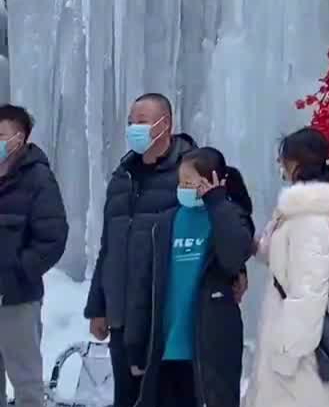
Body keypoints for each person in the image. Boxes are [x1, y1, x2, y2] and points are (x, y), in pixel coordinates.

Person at [244, 127, 329, 407]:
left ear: (295, 165)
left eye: (283, 161)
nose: (280, 168)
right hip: (299, 357)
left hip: (301, 365)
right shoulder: (302, 215)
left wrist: (286, 356)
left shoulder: (310, 221)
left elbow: (309, 292)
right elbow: (279, 255)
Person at [85, 94, 195, 407]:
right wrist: (99, 306)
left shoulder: (189, 174)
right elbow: (109, 247)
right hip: (122, 318)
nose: (135, 128)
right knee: (127, 399)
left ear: (166, 124)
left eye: (143, 122)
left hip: (167, 317)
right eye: (131, 122)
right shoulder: (122, 177)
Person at [123, 148, 254, 407]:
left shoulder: (230, 218)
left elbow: (233, 257)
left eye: (189, 183)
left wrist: (218, 202)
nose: (182, 188)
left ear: (214, 181)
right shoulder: (164, 223)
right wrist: (135, 343)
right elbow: (143, 286)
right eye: (180, 182)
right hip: (165, 348)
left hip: (210, 347)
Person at [0, 105, 68, 407]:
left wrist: (17, 271)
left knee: (26, 381)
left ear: (20, 137)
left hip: (16, 299)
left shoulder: (38, 179)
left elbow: (53, 238)